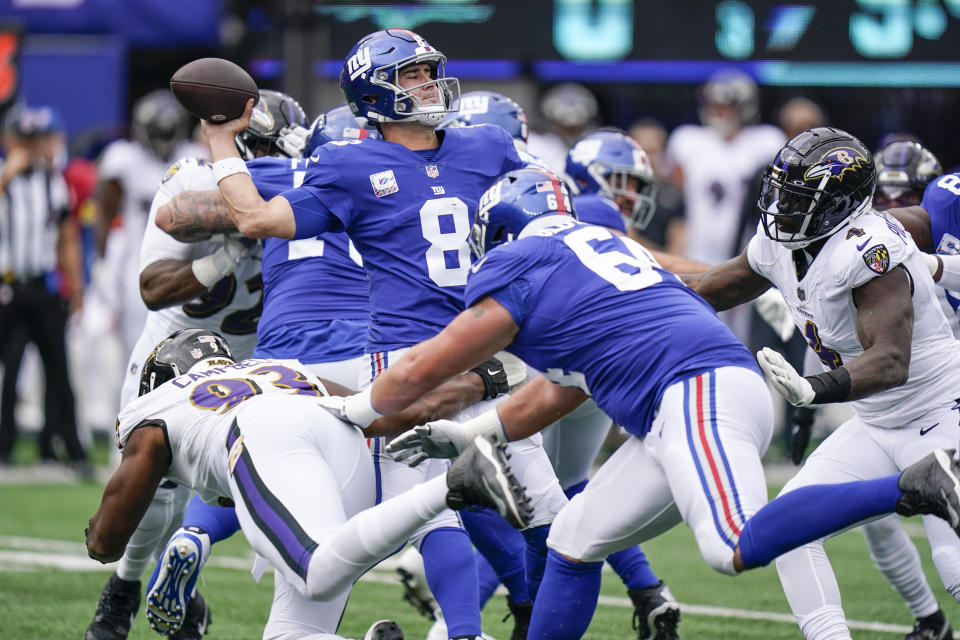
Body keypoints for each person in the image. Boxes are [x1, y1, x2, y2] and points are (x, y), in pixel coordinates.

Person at [307, 164, 960, 639]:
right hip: (687, 399)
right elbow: (560, 387)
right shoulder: (600, 255)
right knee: (572, 538)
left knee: (731, 546)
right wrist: (465, 432)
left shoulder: (524, 261)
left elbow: (432, 359)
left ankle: (916, 485)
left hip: (698, 393)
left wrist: (359, 409)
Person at [192, 28, 569, 640]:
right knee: (432, 514)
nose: (427, 83)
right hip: (408, 355)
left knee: (547, 518)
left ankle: (525, 620)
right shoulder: (347, 163)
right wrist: (219, 139)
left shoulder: (490, 145)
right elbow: (255, 218)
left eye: (429, 70)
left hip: (487, 346)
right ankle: (466, 633)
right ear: (375, 93)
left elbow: (554, 211)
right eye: (410, 75)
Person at [148, 103, 514, 638]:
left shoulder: (279, 174)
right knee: (417, 499)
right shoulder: (401, 173)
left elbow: (175, 215)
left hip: (276, 356)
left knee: (252, 468)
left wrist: (236, 223)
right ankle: (463, 627)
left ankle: (198, 534)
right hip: (359, 353)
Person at [662, 127, 960, 640]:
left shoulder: (870, 248)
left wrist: (813, 390)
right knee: (790, 529)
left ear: (841, 204)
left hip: (938, 411)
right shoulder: (781, 243)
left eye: (797, 197)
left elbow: (891, 361)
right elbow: (712, 288)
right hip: (876, 422)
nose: (781, 205)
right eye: (781, 190)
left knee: (952, 562)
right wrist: (640, 303)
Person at [83, 328, 532, 640]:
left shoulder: (158, 405)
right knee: (292, 633)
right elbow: (380, 414)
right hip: (341, 444)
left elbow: (106, 544)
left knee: (316, 574)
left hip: (263, 433)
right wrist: (479, 383)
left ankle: (453, 485)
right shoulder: (273, 369)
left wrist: (99, 528)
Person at [83, 90, 305, 640]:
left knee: (235, 488)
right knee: (154, 492)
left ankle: (179, 587)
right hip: (174, 352)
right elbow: (153, 288)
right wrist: (226, 257)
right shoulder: (189, 183)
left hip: (254, 358)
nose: (289, 166)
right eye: (276, 153)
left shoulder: (306, 198)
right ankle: (124, 591)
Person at [0, 105, 87, 470]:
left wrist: (76, 287)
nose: (34, 148)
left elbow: (67, 236)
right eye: (26, 140)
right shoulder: (5, 177)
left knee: (58, 369)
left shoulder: (54, 182)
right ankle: (4, 446)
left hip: (43, 287)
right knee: (9, 369)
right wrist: (6, 176)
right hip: (6, 288)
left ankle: (63, 444)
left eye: (39, 140)